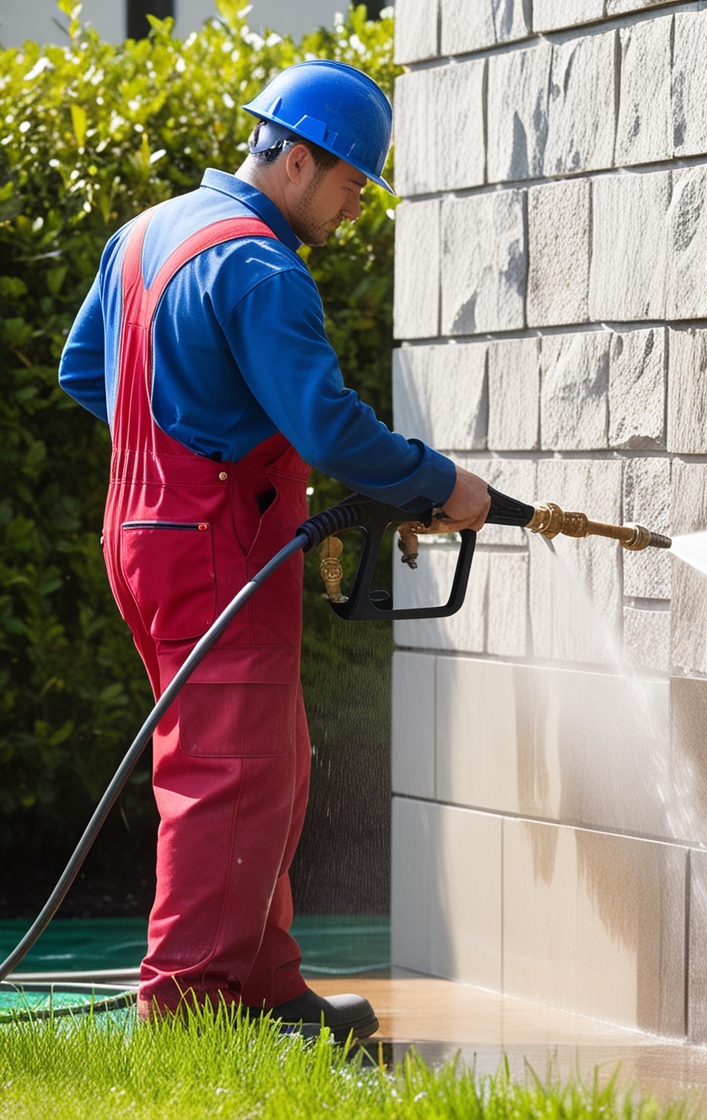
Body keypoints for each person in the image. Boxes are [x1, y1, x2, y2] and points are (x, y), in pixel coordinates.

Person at [58, 59, 490, 1041]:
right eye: (350, 184)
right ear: (298, 158)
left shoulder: (145, 234)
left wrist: (177, 441)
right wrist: (438, 481)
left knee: (267, 762)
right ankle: (189, 1016)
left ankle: (264, 985)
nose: (351, 209)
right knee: (226, 774)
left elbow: (87, 368)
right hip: (217, 545)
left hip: (143, 536)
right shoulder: (257, 266)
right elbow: (332, 429)